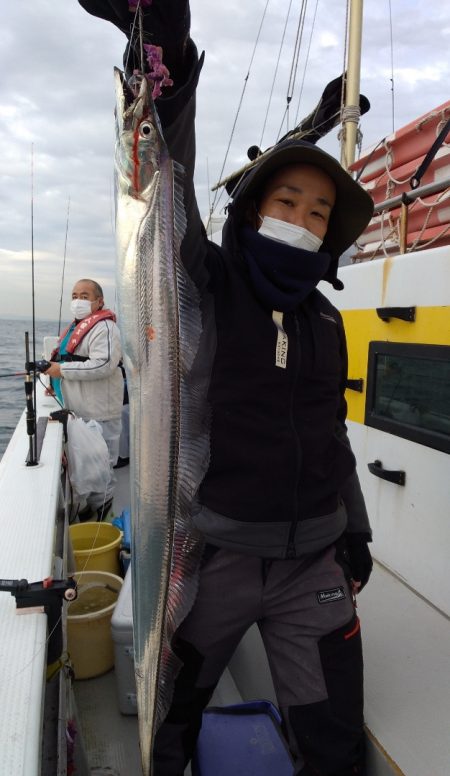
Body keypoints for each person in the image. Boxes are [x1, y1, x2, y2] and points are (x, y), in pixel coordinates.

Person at [79, 3, 375, 774]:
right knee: (170, 721)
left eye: (318, 215)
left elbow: (331, 431)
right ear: (251, 212)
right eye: (287, 204)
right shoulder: (206, 285)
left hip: (313, 562)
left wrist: (356, 527)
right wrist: (167, 72)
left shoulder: (325, 322)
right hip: (211, 558)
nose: (303, 222)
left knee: (335, 738)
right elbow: (164, 206)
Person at [45, 278, 123, 521]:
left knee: (102, 470)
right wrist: (55, 382)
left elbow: (103, 364)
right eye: (75, 295)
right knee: (86, 469)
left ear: (99, 301)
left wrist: (62, 372)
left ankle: (103, 520)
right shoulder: (76, 327)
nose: (78, 300)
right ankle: (91, 512)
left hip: (100, 414)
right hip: (79, 412)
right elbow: (66, 360)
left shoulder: (105, 328)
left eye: (85, 296)